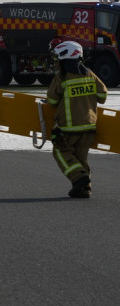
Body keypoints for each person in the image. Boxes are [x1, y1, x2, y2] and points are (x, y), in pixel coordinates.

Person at [45, 40, 109, 198]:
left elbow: (52, 101)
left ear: (64, 58)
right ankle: (84, 188)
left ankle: (78, 178)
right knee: (80, 158)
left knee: (60, 152)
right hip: (89, 127)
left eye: (57, 59)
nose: (55, 62)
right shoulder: (89, 74)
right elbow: (102, 95)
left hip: (68, 127)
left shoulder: (62, 77)